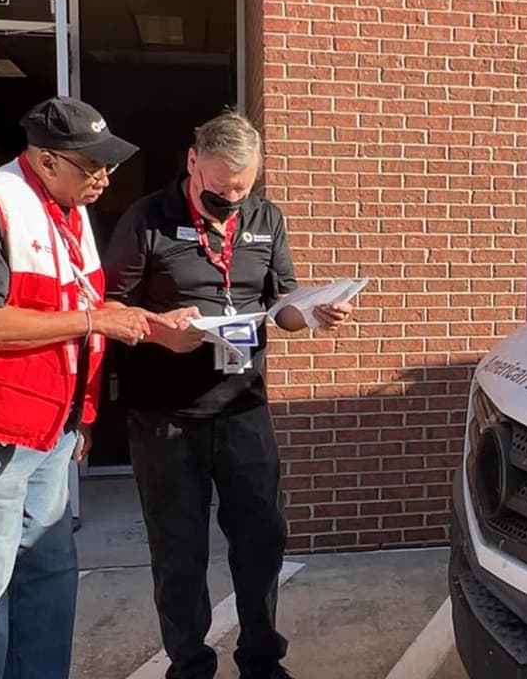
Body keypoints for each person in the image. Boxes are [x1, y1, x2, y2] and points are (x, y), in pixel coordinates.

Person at [0, 96, 182, 679]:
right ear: (47, 160)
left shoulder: (68, 210)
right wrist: (95, 320)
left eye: (110, 167)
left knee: (47, 574)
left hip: (45, 426)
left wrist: (91, 399)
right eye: (91, 166)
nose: (104, 179)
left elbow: (69, 307)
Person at [102, 109, 354, 679]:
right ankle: (189, 665)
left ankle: (262, 659)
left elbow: (282, 305)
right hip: (167, 417)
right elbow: (109, 308)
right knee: (180, 551)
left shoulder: (266, 219)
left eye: (241, 190)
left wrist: (313, 313)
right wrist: (164, 331)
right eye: (219, 190)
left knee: (262, 540)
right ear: (193, 163)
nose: (231, 200)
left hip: (243, 409)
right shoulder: (149, 219)